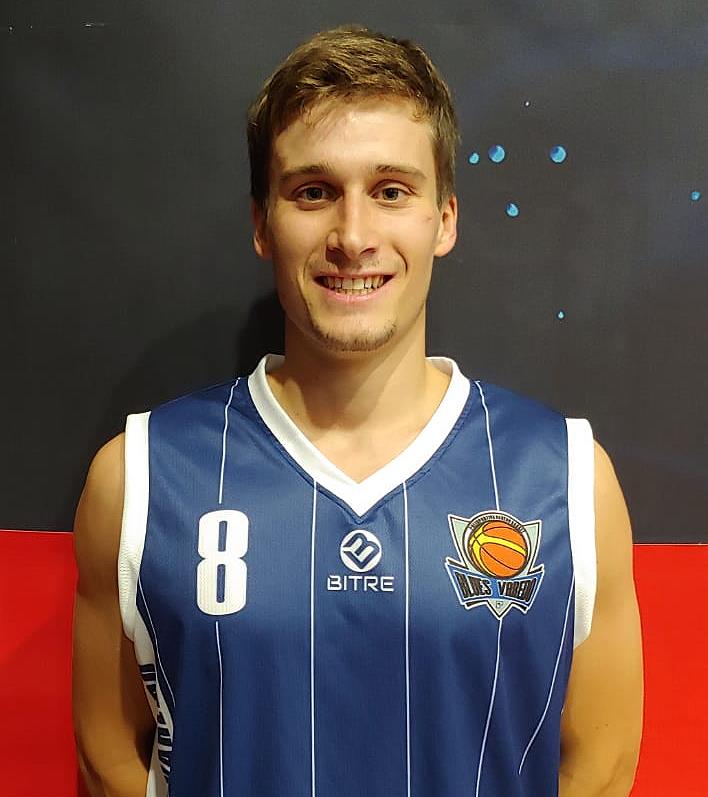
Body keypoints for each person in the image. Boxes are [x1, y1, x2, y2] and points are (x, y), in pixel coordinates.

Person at [72, 24, 643, 797]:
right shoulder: (140, 478)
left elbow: (599, 767)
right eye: (313, 192)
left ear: (445, 218)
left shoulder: (565, 479)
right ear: (261, 223)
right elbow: (108, 756)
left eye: (391, 191)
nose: (353, 236)